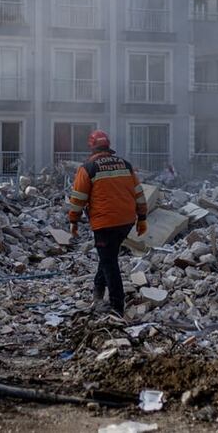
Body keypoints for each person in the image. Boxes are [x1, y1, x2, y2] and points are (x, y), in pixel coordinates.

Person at [67, 130, 148, 317]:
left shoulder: (88, 167)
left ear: (92, 146)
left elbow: (78, 198)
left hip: (104, 223)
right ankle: (98, 293)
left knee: (109, 261)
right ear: (108, 145)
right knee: (108, 255)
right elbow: (139, 194)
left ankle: (117, 307)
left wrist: (73, 221)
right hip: (126, 221)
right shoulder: (125, 165)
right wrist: (142, 218)